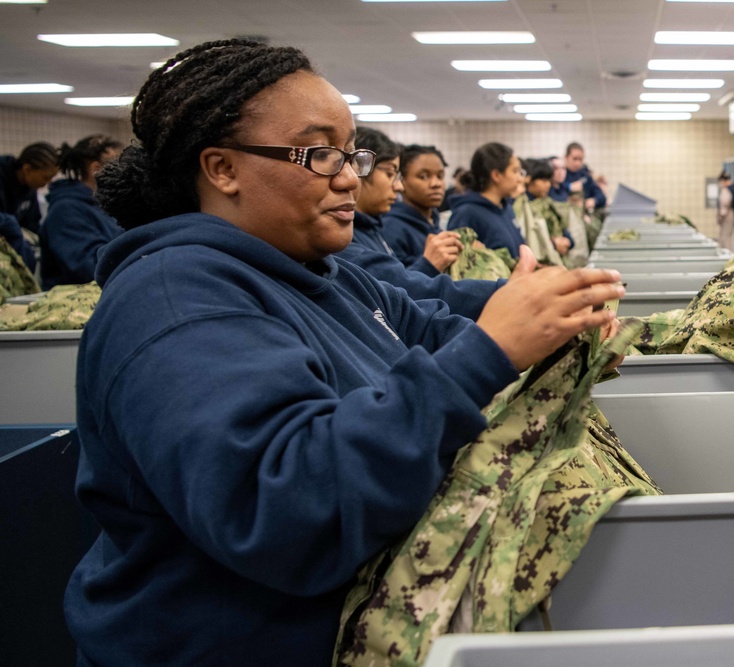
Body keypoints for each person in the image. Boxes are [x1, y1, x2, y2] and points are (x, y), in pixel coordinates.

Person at [65, 38, 623, 667]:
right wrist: (491, 351)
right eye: (320, 153)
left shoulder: (317, 269)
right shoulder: (174, 302)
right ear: (222, 169)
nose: (351, 177)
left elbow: (427, 327)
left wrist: (546, 315)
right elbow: (288, 511)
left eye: (350, 151)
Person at [338, 128, 499, 320]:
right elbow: (402, 291)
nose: (398, 186)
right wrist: (428, 264)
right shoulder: (357, 237)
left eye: (440, 176)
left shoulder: (375, 228)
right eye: (390, 174)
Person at [39, 135, 123, 289]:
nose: (125, 171)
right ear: (96, 170)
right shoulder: (66, 210)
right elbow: (88, 268)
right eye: (118, 166)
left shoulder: (103, 205)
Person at [382, 143, 463, 274]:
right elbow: (396, 283)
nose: (435, 183)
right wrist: (428, 264)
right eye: (423, 176)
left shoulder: (433, 221)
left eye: (440, 176)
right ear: (401, 181)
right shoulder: (391, 228)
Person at [446, 142, 526, 259]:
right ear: (496, 175)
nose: (520, 179)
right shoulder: (466, 214)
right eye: (515, 171)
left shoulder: (505, 208)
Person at [0, 141, 58, 270]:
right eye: (45, 177)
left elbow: (32, 224)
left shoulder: (29, 188)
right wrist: (10, 224)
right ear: (27, 169)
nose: (48, 183)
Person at [563, 142, 606, 211]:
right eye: (574, 159)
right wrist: (569, 187)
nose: (577, 163)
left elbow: (601, 196)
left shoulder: (585, 175)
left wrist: (594, 201)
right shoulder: (561, 175)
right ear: (566, 157)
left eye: (580, 159)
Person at [717, 170, 734, 251]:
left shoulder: (726, 190)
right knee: (730, 236)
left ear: (723, 181)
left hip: (728, 215)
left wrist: (720, 217)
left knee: (725, 236)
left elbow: (724, 205)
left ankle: (727, 255)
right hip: (732, 214)